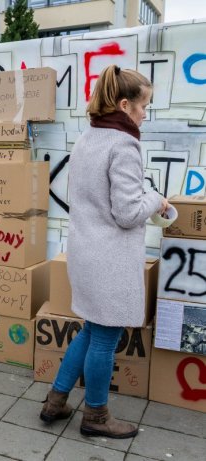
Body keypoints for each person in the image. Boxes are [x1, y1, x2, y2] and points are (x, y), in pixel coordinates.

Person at [39, 65, 168, 439]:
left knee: (92, 330)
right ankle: (96, 416)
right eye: (144, 106)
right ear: (125, 105)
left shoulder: (88, 137)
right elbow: (127, 213)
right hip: (109, 258)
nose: (146, 114)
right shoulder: (124, 144)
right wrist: (156, 199)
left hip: (85, 253)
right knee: (106, 338)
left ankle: (56, 400)